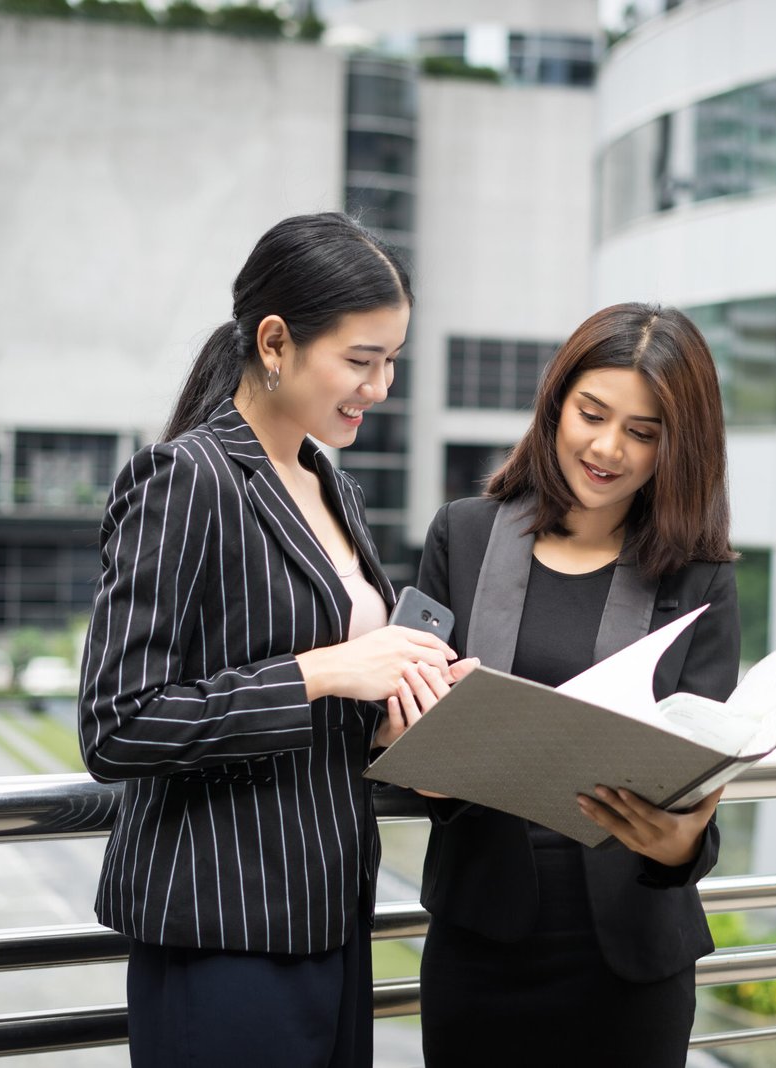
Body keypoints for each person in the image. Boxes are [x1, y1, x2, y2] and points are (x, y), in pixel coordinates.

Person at [77, 212, 471, 1068]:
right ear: (276, 341)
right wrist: (322, 672)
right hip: (224, 927)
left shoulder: (331, 483)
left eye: (391, 360)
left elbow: (336, 704)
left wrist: (404, 709)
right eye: (361, 360)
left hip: (331, 912)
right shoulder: (186, 477)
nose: (381, 385)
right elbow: (117, 726)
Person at [396, 302, 741, 1068]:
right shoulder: (466, 534)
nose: (608, 448)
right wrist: (420, 747)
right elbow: (414, 722)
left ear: (675, 447)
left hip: (631, 958)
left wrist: (681, 843)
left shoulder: (702, 577)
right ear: (557, 403)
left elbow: (700, 767)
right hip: (481, 941)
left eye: (643, 432)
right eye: (592, 413)